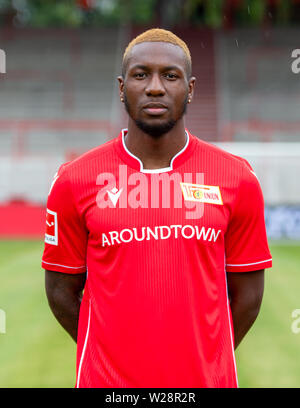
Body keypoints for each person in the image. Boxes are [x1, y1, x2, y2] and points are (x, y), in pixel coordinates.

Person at [42, 28, 272, 388]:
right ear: (121, 88)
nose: (154, 87)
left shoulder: (236, 178)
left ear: (191, 89)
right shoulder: (75, 179)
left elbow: (249, 297)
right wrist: (111, 354)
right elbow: (60, 290)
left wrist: (205, 361)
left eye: (170, 75)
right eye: (140, 74)